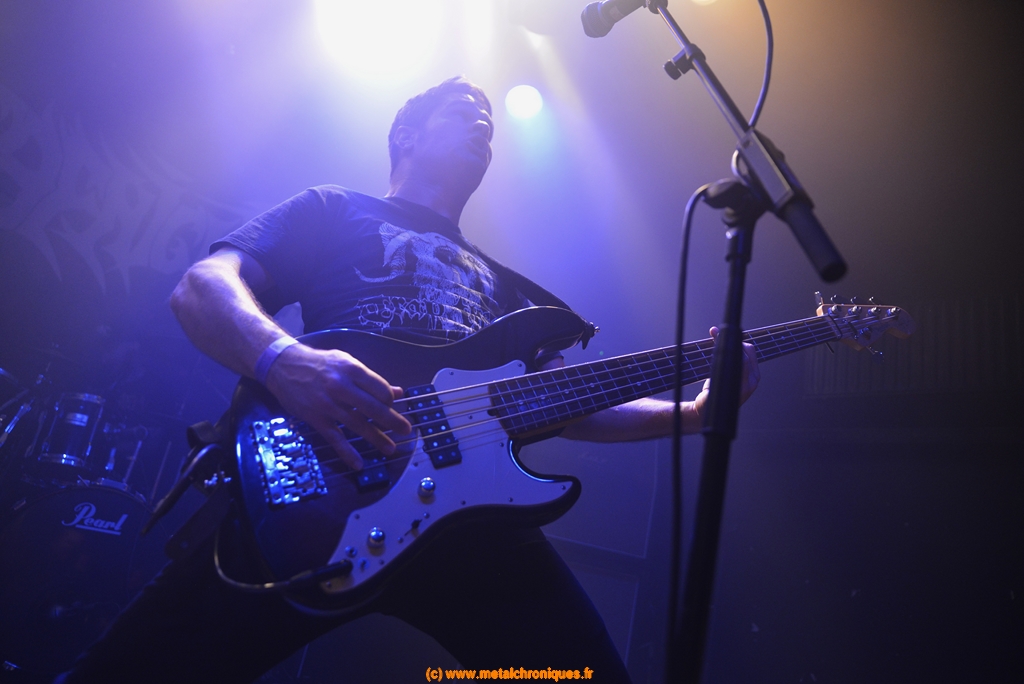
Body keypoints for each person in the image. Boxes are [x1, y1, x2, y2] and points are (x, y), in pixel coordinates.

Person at [59, 76, 759, 683]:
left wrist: (695, 413)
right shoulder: (334, 208)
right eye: (464, 112)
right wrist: (284, 360)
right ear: (406, 135)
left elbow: (571, 403)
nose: (484, 126)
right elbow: (202, 286)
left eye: (490, 123)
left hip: (475, 522)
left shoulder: (511, 290)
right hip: (322, 483)